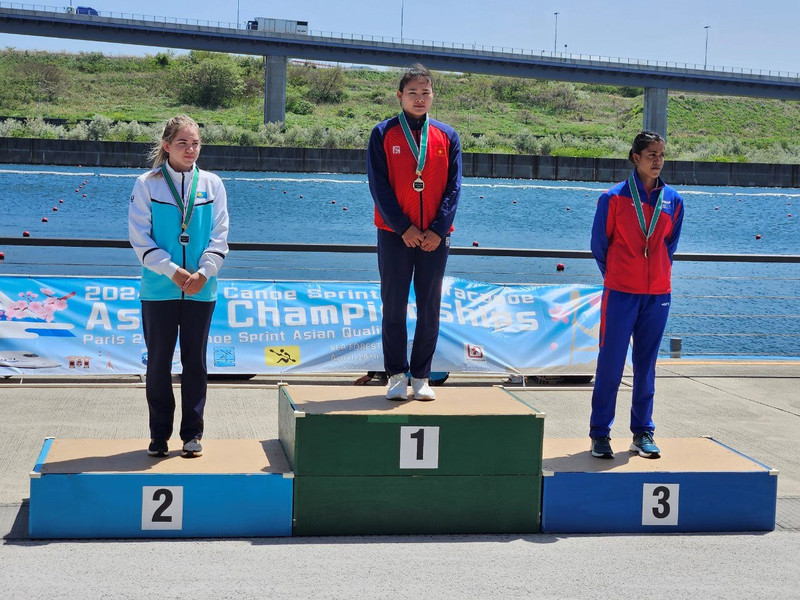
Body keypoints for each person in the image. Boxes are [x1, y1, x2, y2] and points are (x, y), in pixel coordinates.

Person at [129, 115, 229, 458]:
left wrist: (205, 272)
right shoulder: (147, 184)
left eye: (195, 143)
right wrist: (171, 271)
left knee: (195, 362)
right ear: (167, 145)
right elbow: (139, 238)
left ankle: (192, 434)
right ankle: (159, 436)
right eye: (183, 143)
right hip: (159, 289)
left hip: (201, 288)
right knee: (158, 364)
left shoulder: (213, 184)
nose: (190, 149)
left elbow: (220, 235)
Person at [367, 64, 461, 401]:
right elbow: (378, 186)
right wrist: (403, 227)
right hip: (394, 233)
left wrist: (437, 229)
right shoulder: (383, 133)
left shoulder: (447, 135)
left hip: (435, 237)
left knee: (429, 307)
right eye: (412, 92)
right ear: (400, 96)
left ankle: (421, 376)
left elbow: (453, 188)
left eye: (425, 92)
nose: (419, 98)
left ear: (433, 95)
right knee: (393, 306)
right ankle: (395, 375)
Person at [589, 131, 684, 459]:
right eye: (651, 154)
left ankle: (642, 432)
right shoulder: (613, 198)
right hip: (621, 292)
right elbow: (599, 245)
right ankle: (600, 433)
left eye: (661, 155)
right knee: (611, 363)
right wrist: (619, 275)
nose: (657, 160)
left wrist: (656, 274)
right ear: (636, 158)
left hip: (657, 294)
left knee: (647, 365)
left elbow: (669, 246)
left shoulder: (673, 200)